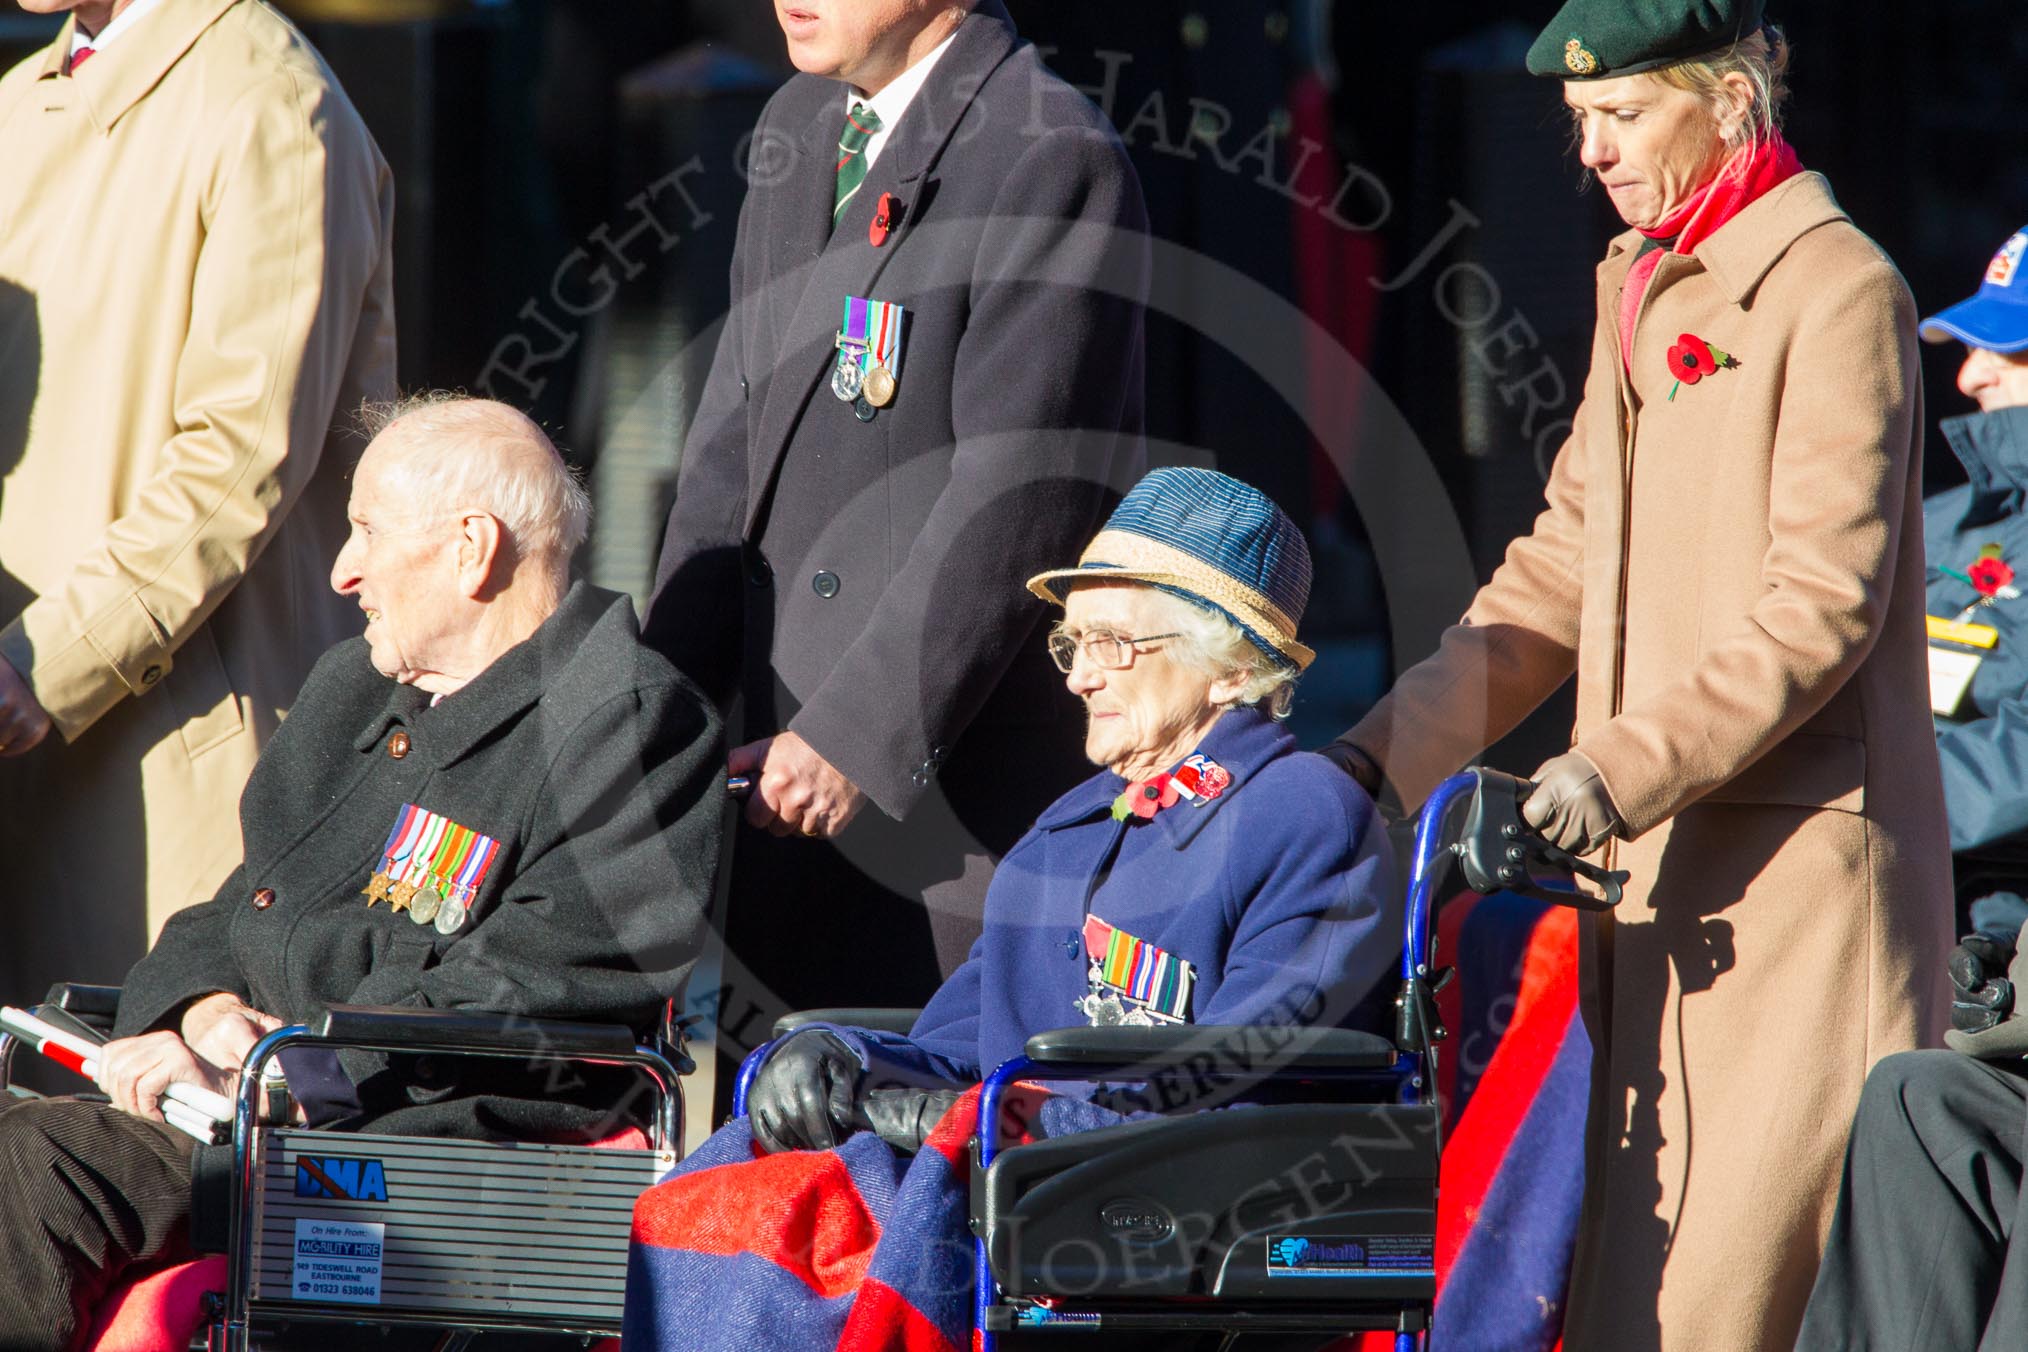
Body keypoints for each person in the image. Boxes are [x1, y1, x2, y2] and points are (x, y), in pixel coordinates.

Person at [1320, 2, 1949, 1346]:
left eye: (1621, 117)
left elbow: (1823, 607)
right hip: (1643, 868)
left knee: (1720, 1307)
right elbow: (1561, 565)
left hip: (1790, 898)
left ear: (1729, 101)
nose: (1592, 152)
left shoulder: (1837, 288)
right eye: (1579, 126)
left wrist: (1610, 770)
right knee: (1617, 1293)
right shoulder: (1643, 273)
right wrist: (1368, 764)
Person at [0, 397, 722, 1349]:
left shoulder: (630, 718)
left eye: (367, 531)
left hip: (430, 1143)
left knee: (35, 1165)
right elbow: (239, 905)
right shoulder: (355, 687)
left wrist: (283, 1071)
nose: (343, 571)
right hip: (257, 1110)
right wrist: (205, 1017)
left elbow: (538, 981)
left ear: (473, 549)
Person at [622, 468, 1398, 1350]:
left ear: (1228, 669)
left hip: (1168, 1215)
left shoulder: (1302, 811)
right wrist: (847, 1061)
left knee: (810, 1252)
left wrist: (1006, 1122)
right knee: (714, 1199)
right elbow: (963, 1039)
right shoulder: (1066, 829)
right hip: (1014, 1195)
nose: (1079, 679)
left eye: (1113, 644)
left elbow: (1247, 1071)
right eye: (1074, 646)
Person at [644, 0, 1150, 1044]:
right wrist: (655, 714)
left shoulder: (1046, 153)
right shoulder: (799, 120)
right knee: (773, 1174)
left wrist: (854, 736)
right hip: (770, 786)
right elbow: (728, 452)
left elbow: (1019, 499)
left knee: (920, 1172)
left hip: (940, 810)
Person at [0, 0, 397, 1006]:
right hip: (37, 706)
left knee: (132, 1137)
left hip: (167, 733)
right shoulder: (25, 98)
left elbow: (240, 461)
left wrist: (42, 659)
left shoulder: (273, 101)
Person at [1916, 225, 2028, 942]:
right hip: (1920, 931)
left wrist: (1865, 801)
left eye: (2006, 345)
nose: (1969, 376)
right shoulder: (1937, 525)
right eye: (1969, 346)